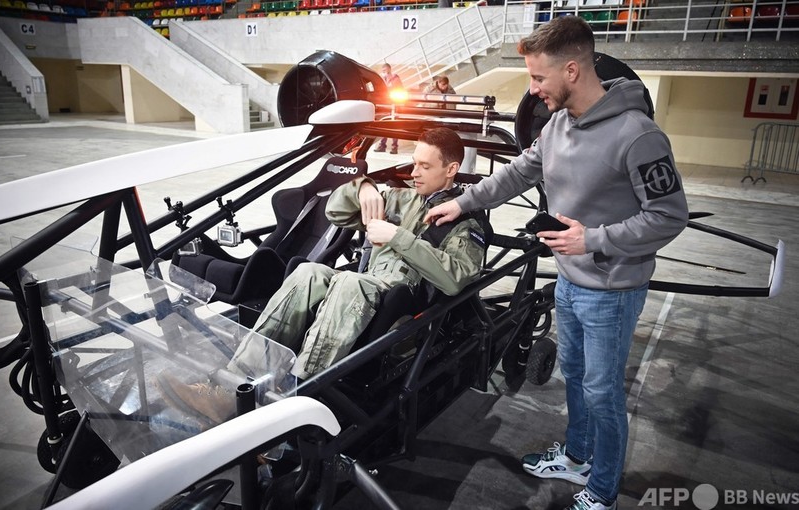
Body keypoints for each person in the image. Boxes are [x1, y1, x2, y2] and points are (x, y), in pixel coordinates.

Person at [422, 16, 688, 510]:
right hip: (569, 281)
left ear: (571, 70)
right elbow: (518, 172)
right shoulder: (558, 125)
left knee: (603, 394)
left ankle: (603, 491)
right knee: (578, 379)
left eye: (538, 77)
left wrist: (594, 239)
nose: (532, 89)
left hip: (612, 290)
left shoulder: (638, 135)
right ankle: (577, 456)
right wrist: (462, 202)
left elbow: (669, 216)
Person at [159, 127, 488, 427]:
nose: (413, 172)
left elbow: (454, 279)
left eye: (424, 166)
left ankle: (294, 400)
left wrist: (396, 236)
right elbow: (336, 211)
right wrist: (362, 187)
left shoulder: (466, 225)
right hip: (368, 289)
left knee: (349, 281)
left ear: (451, 170)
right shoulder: (400, 199)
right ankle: (232, 389)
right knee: (308, 272)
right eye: (414, 163)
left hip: (403, 309)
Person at [374, 63, 404, 154]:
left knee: (394, 126)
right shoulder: (382, 79)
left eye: (385, 70)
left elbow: (400, 90)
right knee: (384, 125)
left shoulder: (395, 79)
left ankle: (394, 147)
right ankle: (382, 146)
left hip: (394, 104)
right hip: (385, 105)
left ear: (389, 69)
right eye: (383, 70)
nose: (384, 72)